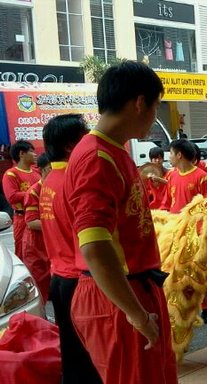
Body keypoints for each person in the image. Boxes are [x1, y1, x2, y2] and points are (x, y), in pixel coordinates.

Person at [62, 61, 177, 383]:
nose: (154, 118)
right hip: (118, 297)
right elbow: (94, 247)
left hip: (133, 290)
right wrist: (137, 314)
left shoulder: (114, 152)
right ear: (140, 103)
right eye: (156, 107)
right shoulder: (97, 159)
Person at [40, 114, 102, 384]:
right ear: (69, 146)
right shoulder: (74, 180)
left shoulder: (49, 180)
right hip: (80, 280)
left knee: (71, 350)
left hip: (59, 278)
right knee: (93, 354)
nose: (90, 138)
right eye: (85, 134)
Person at [1, 140, 40, 260]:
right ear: (21, 154)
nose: (35, 154)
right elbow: (12, 196)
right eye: (31, 151)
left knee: (40, 253)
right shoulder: (11, 174)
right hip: (22, 219)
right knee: (23, 252)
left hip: (39, 218)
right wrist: (34, 193)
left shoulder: (37, 172)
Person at [22, 154, 51, 304]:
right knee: (39, 285)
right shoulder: (34, 191)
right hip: (36, 245)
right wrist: (56, 224)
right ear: (42, 170)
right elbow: (31, 222)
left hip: (51, 243)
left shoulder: (56, 186)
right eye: (49, 169)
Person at [160, 139, 207, 214]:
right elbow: (166, 202)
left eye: (171, 153)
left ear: (179, 155)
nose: (169, 157)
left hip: (192, 224)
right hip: (174, 223)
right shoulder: (172, 175)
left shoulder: (202, 176)